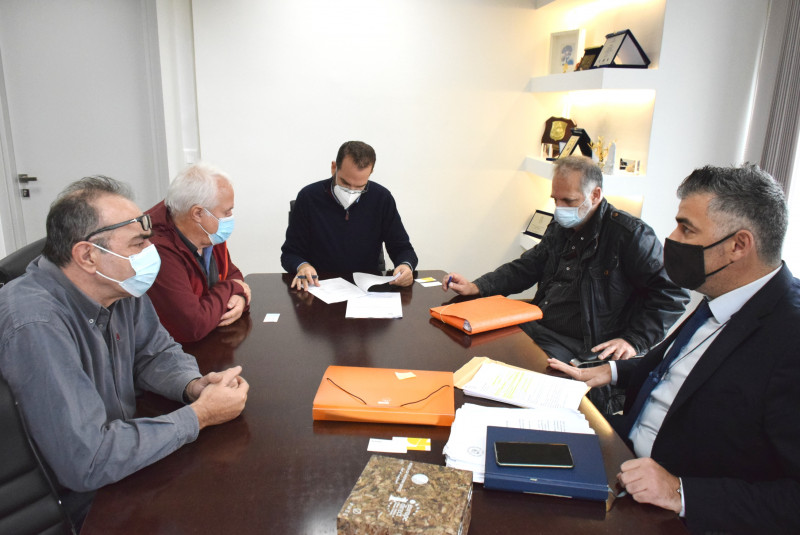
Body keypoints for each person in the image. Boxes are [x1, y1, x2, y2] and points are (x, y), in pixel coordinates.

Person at [549, 164, 800, 533]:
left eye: (687, 228)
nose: (671, 237)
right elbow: (674, 365)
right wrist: (609, 372)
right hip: (622, 452)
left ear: (738, 245)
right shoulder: (720, 294)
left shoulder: (790, 338)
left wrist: (681, 492)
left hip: (671, 510)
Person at [0, 176, 249, 528]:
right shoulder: (35, 324)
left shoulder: (116, 284)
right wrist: (199, 416)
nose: (151, 251)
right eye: (138, 243)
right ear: (87, 256)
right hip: (78, 502)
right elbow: (87, 460)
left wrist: (194, 385)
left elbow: (155, 353)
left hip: (123, 463)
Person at [444, 155, 688, 364]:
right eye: (555, 200)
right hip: (536, 323)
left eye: (568, 201)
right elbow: (528, 266)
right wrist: (477, 286)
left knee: (510, 372)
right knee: (467, 345)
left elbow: (672, 294)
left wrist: (633, 341)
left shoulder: (630, 235)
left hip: (579, 344)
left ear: (595, 195)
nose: (559, 208)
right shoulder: (561, 226)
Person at [281, 140, 418, 290]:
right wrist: (302, 266)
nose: (351, 191)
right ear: (334, 168)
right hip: (319, 287)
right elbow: (290, 253)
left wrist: (405, 265)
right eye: (345, 183)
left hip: (366, 290)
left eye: (359, 186)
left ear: (370, 173)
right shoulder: (308, 197)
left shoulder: (382, 198)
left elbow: (403, 249)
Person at [146, 162, 250, 343]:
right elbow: (192, 325)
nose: (230, 217)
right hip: (174, 351)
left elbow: (231, 273)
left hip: (212, 340)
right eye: (227, 212)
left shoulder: (208, 233)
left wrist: (239, 298)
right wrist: (235, 288)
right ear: (198, 213)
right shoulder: (157, 248)